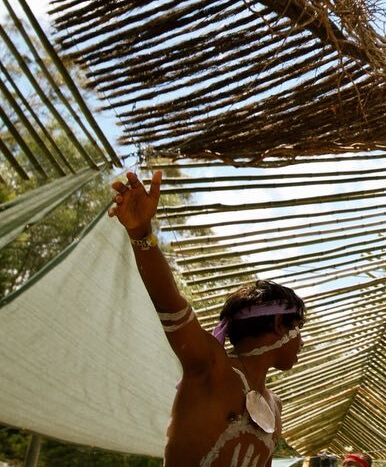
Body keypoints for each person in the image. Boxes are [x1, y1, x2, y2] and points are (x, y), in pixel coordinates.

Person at [108, 169, 306, 466]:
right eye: (299, 329)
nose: (302, 342)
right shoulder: (210, 367)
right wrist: (140, 234)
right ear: (279, 325)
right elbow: (170, 304)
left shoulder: (274, 406)